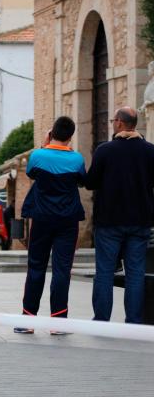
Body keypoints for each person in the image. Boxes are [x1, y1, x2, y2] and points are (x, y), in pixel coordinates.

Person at [14, 116, 86, 335]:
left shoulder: (37, 155)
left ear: (51, 132)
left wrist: (45, 145)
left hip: (42, 220)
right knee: (62, 270)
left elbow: (30, 173)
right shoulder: (77, 159)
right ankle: (58, 323)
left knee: (36, 267)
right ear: (71, 136)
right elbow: (82, 180)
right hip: (67, 221)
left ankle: (28, 320)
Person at [84, 107, 154, 324]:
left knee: (104, 271)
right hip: (140, 221)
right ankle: (133, 321)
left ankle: (102, 320)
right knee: (135, 273)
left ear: (120, 123)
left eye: (114, 120)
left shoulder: (105, 150)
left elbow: (90, 183)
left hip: (109, 221)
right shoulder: (150, 151)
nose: (113, 123)